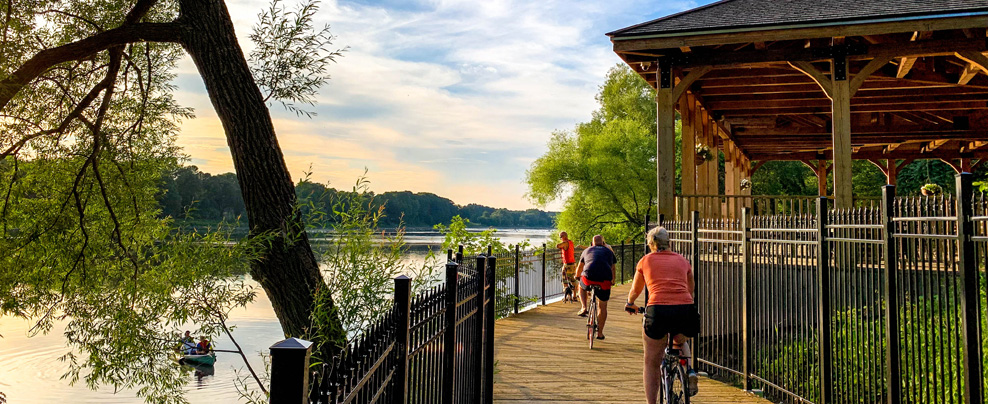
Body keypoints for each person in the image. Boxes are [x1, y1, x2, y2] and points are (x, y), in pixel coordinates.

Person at [625, 227, 700, 402]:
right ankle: (689, 369)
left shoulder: (645, 261)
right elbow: (691, 289)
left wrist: (630, 303)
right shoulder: (683, 261)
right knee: (680, 339)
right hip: (685, 310)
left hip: (658, 311)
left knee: (651, 362)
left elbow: (636, 289)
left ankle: (651, 402)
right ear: (669, 243)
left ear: (651, 244)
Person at [576, 234, 617, 339]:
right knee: (602, 306)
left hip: (588, 277)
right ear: (603, 243)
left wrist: (577, 276)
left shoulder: (587, 250)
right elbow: (613, 268)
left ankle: (584, 307)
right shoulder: (609, 252)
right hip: (604, 280)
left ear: (592, 243)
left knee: (581, 285)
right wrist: (613, 280)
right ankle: (600, 333)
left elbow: (580, 267)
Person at [555, 232, 578, 304]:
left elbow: (557, 246)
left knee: (565, 280)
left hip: (567, 265)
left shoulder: (565, 243)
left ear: (563, 236)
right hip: (573, 264)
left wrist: (562, 244)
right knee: (573, 280)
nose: (560, 239)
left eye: (560, 237)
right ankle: (574, 296)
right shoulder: (571, 242)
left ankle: (568, 297)